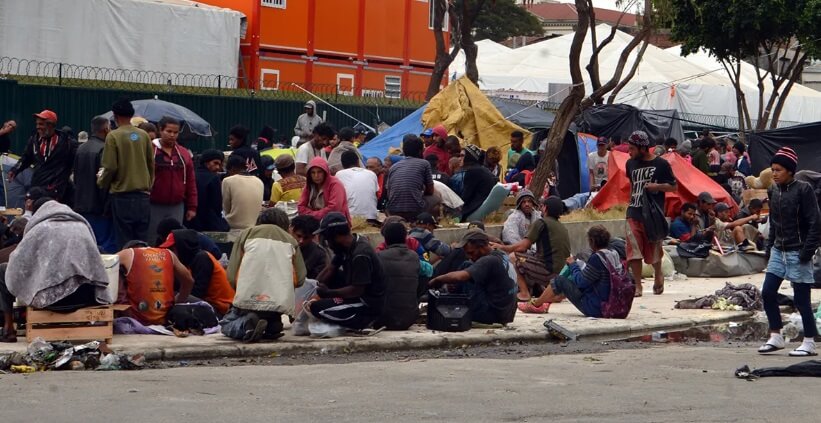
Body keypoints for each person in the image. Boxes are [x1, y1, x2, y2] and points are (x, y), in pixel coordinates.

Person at [757, 147, 821, 357]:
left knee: (801, 299)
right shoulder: (773, 190)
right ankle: (775, 336)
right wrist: (769, 247)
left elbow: (815, 222)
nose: (774, 174)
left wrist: (806, 251)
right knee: (767, 293)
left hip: (798, 252)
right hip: (778, 250)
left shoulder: (804, 190)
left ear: (791, 171)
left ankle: (809, 342)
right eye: (773, 169)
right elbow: (774, 221)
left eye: (779, 170)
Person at [223, 208, 307, 342]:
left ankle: (247, 325)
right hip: (279, 305)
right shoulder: (291, 241)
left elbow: (232, 275)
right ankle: (273, 325)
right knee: (272, 315)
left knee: (226, 324)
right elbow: (301, 278)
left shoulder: (246, 234)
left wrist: (242, 291)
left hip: (248, 301)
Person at [308, 212, 385, 330]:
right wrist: (314, 288)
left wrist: (328, 293)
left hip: (366, 304)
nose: (327, 242)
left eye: (327, 238)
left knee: (317, 308)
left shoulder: (360, 254)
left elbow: (357, 290)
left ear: (337, 236)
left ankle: (362, 321)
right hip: (353, 294)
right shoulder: (345, 247)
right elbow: (329, 270)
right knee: (332, 278)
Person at [520, 226, 619, 317]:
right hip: (613, 304)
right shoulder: (613, 253)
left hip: (597, 308)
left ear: (592, 241)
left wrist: (573, 265)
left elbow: (581, 282)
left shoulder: (597, 258)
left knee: (559, 280)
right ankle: (545, 301)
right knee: (569, 273)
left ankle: (536, 304)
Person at [624, 130, 676, 296]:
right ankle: (638, 285)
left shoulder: (661, 164)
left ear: (642, 148)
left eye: (632, 148)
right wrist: (631, 201)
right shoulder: (630, 164)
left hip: (653, 214)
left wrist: (657, 187)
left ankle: (658, 274)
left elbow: (673, 186)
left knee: (654, 248)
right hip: (634, 211)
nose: (629, 152)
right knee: (634, 250)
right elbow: (632, 186)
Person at [97, 99, 155, 249]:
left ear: (115, 116)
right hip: (143, 197)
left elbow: (110, 167)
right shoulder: (143, 135)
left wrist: (101, 182)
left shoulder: (113, 136)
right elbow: (151, 164)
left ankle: (127, 271)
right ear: (131, 114)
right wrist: (148, 185)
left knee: (125, 242)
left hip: (122, 197)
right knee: (142, 242)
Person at [429, 229, 516, 325]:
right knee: (467, 264)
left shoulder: (489, 260)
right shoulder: (501, 254)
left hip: (493, 314)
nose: (469, 256)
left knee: (465, 272)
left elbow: (460, 277)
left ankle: (451, 302)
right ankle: (451, 292)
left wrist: (437, 279)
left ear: (482, 247)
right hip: (507, 313)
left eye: (471, 252)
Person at [493, 196, 570, 304]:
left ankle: (524, 293)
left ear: (545, 208)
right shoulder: (562, 227)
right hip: (561, 275)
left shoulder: (541, 223)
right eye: (524, 202)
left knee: (514, 257)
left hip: (549, 273)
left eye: (530, 202)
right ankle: (548, 292)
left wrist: (502, 247)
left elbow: (523, 246)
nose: (527, 204)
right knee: (531, 258)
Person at [159, 229, 234, 316]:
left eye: (172, 249)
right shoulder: (186, 261)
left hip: (220, 310)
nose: (170, 253)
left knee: (173, 298)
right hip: (207, 305)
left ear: (183, 247)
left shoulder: (202, 258)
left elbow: (196, 293)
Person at [117, 240, 194, 325]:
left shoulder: (127, 254)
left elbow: (105, 263)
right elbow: (189, 281)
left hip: (139, 320)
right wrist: (178, 302)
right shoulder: (169, 253)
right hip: (166, 319)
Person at [8, 109, 76, 202]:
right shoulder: (34, 140)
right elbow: (25, 158)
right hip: (38, 186)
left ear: (51, 125)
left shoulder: (66, 143)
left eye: (41, 124)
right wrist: (15, 170)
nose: (37, 127)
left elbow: (75, 162)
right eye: (37, 124)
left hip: (57, 189)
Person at [148, 116, 197, 239]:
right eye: (169, 131)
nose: (172, 135)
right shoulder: (149, 150)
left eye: (175, 132)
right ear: (160, 130)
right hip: (153, 204)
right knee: (153, 238)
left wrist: (192, 206)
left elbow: (191, 181)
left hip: (177, 206)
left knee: (175, 238)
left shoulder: (184, 153)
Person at [73, 115, 116, 253]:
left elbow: (76, 177)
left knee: (87, 245)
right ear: (106, 128)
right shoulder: (104, 149)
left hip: (82, 205)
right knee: (104, 248)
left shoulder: (81, 149)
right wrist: (107, 205)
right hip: (99, 207)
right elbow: (103, 178)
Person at [375, 220, 421, 330]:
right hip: (410, 318)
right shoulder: (415, 257)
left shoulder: (379, 256)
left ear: (385, 239)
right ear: (405, 237)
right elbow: (428, 272)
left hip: (383, 319)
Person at [385, 135, 435, 221]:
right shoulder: (424, 163)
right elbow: (431, 190)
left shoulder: (394, 167)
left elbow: (389, 192)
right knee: (436, 197)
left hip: (393, 211)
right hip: (415, 211)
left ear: (404, 151)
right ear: (420, 151)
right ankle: (429, 222)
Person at [297, 157, 351, 222]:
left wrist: (312, 215)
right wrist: (313, 215)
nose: (316, 176)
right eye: (313, 173)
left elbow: (334, 209)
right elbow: (300, 206)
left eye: (319, 172)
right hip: (314, 220)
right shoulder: (309, 185)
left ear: (325, 172)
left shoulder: (335, 184)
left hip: (335, 222)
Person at [187, 149, 229, 232]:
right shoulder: (213, 178)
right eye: (215, 163)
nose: (217, 167)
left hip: (190, 221)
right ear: (206, 162)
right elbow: (217, 206)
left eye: (219, 165)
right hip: (208, 223)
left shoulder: (192, 175)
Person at [222, 154, 264, 230]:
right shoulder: (259, 181)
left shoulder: (227, 181)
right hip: (255, 225)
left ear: (232, 169)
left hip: (234, 226)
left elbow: (226, 208)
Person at [336, 150, 378, 220]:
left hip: (351, 218)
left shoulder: (339, 174)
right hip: (372, 217)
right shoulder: (371, 174)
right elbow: (375, 195)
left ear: (342, 164)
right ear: (358, 162)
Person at [459, 144, 497, 222]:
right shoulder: (482, 170)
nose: (459, 159)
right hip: (482, 207)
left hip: (474, 209)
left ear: (469, 157)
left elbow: (465, 197)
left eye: (462, 156)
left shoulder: (473, 171)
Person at [290, 215, 329, 279]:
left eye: (306, 238)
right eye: (298, 236)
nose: (301, 241)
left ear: (313, 237)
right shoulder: (282, 246)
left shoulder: (319, 254)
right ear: (292, 231)